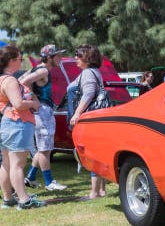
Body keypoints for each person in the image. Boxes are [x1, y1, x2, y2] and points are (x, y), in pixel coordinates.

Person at [0, 44, 45, 209]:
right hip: (18, 124)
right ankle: (24, 200)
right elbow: (18, 104)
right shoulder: (10, 80)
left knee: (6, 163)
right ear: (11, 61)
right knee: (17, 165)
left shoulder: (2, 79)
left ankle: (7, 198)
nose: (21, 62)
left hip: (7, 124)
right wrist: (33, 103)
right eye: (20, 59)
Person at [19, 45, 68, 191]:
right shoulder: (43, 70)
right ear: (49, 57)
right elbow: (22, 83)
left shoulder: (36, 69)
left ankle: (31, 177)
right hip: (42, 112)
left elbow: (21, 79)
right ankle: (49, 182)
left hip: (41, 112)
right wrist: (34, 100)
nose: (60, 58)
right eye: (57, 56)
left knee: (42, 149)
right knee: (45, 150)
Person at [68, 44, 106, 199]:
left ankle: (94, 192)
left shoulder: (88, 73)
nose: (75, 58)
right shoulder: (92, 72)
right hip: (96, 118)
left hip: (89, 119)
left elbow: (89, 93)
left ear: (87, 58)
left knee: (92, 154)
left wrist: (77, 113)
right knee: (98, 153)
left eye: (78, 55)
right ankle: (102, 190)